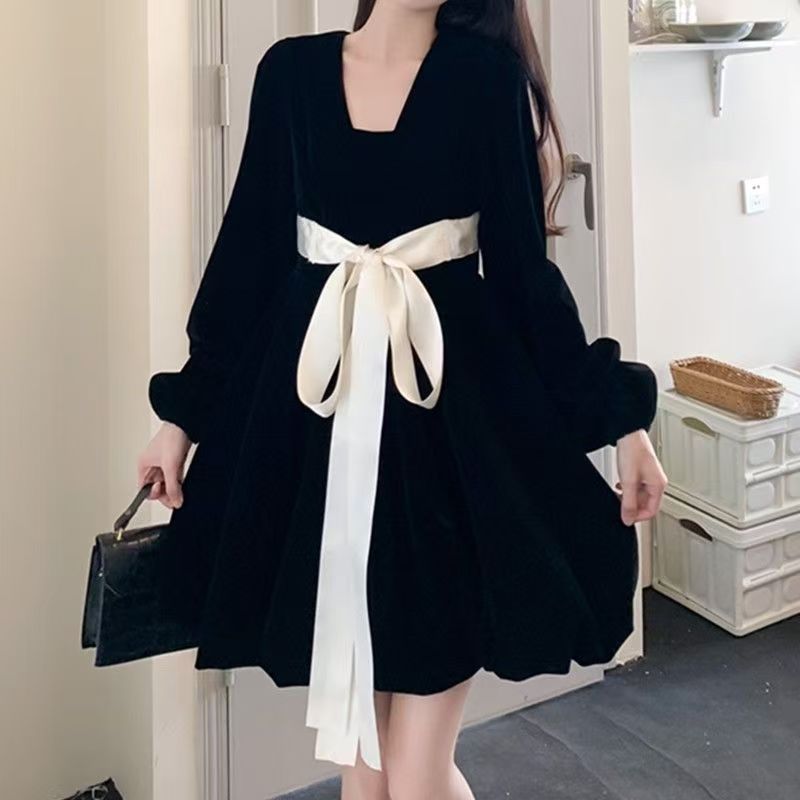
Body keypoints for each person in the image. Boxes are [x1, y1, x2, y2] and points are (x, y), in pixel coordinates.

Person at [138, 1, 668, 797]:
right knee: (367, 776)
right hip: (319, 446)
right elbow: (245, 263)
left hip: (448, 454)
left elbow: (527, 285)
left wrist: (623, 421)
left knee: (414, 777)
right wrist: (181, 419)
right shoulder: (290, 76)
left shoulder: (486, 80)